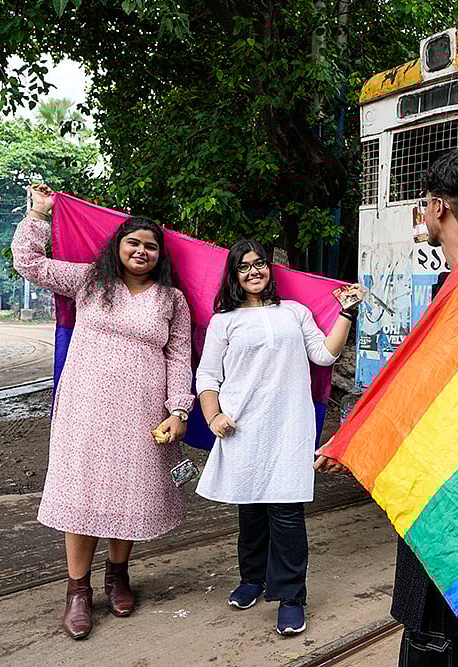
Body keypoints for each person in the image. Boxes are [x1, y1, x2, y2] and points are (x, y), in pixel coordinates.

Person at [318, 150, 458, 666]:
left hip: (450, 492)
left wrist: (360, 441)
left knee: (433, 630)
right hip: (446, 483)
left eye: (424, 203)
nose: (421, 213)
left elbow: (431, 393)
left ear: (440, 207)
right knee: (435, 624)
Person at [11, 184, 193, 640]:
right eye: (133, 242)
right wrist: (38, 214)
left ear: (160, 255)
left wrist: (178, 410)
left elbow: (179, 356)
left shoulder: (172, 299)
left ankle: (118, 575)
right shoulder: (90, 282)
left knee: (128, 491)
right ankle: (77, 591)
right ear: (117, 247)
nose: (142, 251)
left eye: (151, 246)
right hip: (84, 409)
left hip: (142, 413)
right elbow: (28, 264)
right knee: (83, 494)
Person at [194, 239, 361, 636]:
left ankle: (290, 597)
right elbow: (207, 376)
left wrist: (346, 313)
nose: (254, 272)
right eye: (244, 266)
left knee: (286, 515)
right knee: (250, 509)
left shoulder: (295, 312)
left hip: (289, 427)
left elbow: (324, 355)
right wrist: (213, 415)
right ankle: (253, 578)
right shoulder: (224, 321)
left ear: (270, 268)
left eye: (260, 264)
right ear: (234, 275)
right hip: (242, 427)